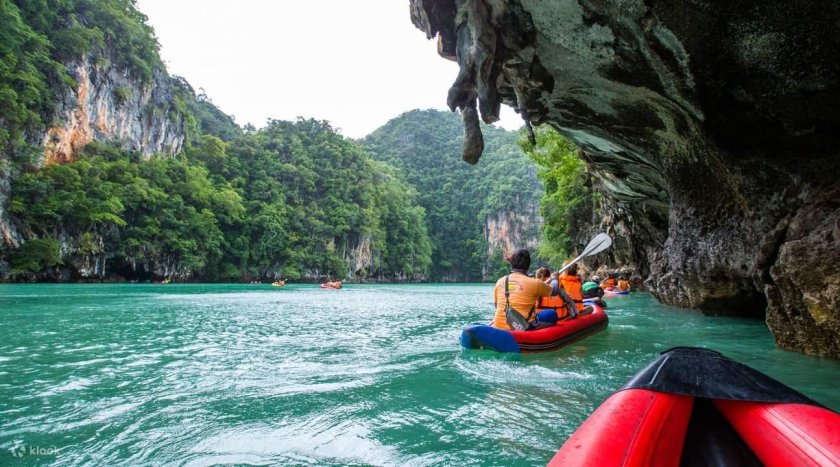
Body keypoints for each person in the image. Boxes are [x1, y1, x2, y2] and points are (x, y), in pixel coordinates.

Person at [492, 250, 575, 330]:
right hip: (523, 327)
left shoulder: (500, 281)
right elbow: (555, 290)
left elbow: (496, 306)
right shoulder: (534, 283)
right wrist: (554, 279)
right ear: (528, 265)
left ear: (512, 264)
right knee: (552, 313)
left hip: (499, 324)